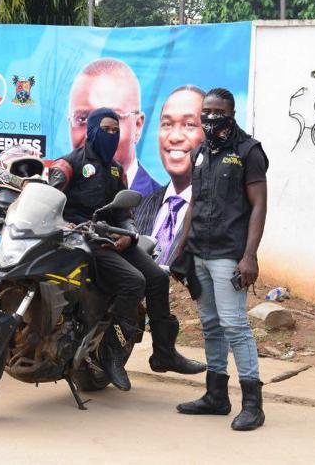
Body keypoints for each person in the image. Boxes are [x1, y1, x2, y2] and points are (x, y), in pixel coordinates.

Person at [50, 107, 205, 392]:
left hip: (112, 237)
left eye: (115, 130)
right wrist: (67, 224)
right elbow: (49, 203)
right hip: (82, 241)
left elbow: (125, 212)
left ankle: (164, 352)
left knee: (157, 278)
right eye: (105, 128)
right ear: (91, 128)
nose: (110, 134)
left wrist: (130, 235)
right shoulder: (68, 164)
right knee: (133, 282)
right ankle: (111, 353)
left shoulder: (116, 170)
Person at [174, 88, 269, 431]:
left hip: (230, 255)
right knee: (211, 325)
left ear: (231, 113)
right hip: (199, 251)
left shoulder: (248, 151)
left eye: (218, 111)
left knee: (235, 325)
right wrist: (180, 248)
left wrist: (250, 256)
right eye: (206, 111)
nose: (211, 117)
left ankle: (253, 405)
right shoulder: (200, 152)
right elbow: (194, 204)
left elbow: (259, 205)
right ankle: (216, 396)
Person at [68, 58, 162, 196]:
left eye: (110, 121)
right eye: (82, 119)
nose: (94, 135)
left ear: (137, 126)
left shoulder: (162, 209)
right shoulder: (55, 198)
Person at [134, 85, 206, 265]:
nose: (174, 137)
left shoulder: (220, 214)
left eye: (189, 125)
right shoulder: (139, 206)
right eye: (167, 124)